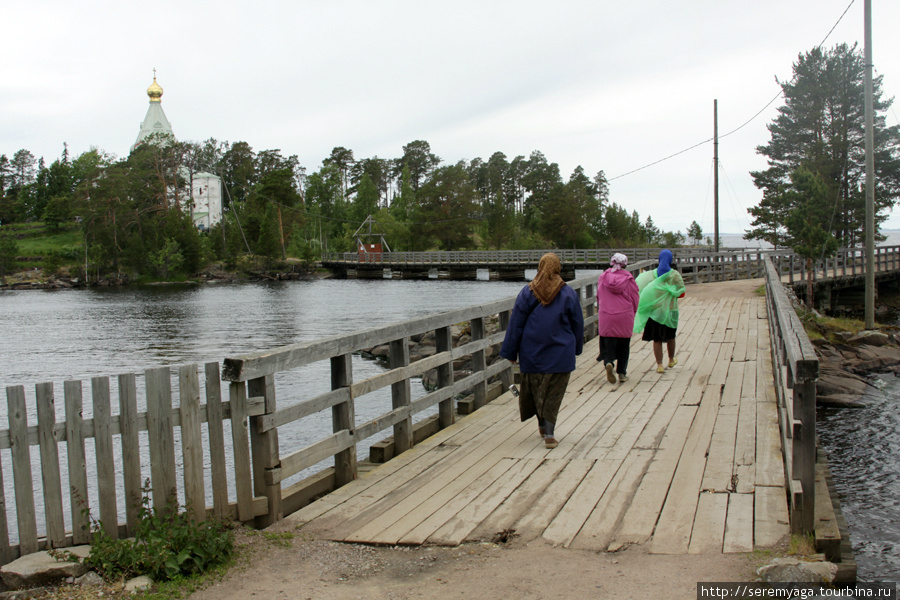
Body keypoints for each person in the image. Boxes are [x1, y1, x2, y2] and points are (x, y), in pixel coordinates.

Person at [500, 252, 584, 449]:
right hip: (561, 353)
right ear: (557, 268)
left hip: (532, 352)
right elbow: (577, 323)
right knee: (554, 393)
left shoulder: (527, 292)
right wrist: (577, 347)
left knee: (536, 390)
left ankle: (542, 425)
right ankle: (549, 433)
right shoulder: (568, 293)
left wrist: (511, 353)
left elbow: (516, 324)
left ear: (540, 266)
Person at [633, 249, 686, 374]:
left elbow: (644, 290)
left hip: (655, 312)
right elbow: (682, 293)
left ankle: (660, 365)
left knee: (657, 339)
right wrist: (670, 294)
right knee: (671, 337)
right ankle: (671, 359)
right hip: (670, 311)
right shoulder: (675, 275)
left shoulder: (651, 275)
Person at [596, 253, 640, 384]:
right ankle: (622, 372)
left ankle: (609, 362)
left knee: (609, 342)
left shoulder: (603, 277)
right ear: (625, 264)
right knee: (624, 344)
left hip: (606, 314)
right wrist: (633, 312)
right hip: (624, 314)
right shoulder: (628, 278)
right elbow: (635, 298)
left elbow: (599, 296)